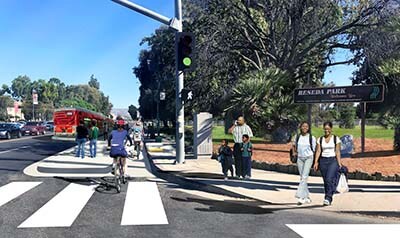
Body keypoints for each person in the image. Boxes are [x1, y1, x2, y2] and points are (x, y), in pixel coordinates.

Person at [313, 121, 342, 206]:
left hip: (333, 160)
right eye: (325, 129)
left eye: (328, 129)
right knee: (326, 181)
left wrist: (339, 163)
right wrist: (316, 162)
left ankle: (328, 197)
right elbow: (318, 151)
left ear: (331, 129)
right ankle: (328, 197)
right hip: (323, 161)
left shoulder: (336, 139)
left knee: (329, 179)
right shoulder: (320, 139)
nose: (326, 131)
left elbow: (337, 151)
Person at [291, 121, 316, 205]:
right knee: (302, 178)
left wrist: (316, 161)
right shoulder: (297, 137)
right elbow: (293, 145)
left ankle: (300, 196)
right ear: (300, 127)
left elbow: (315, 149)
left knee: (304, 176)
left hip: (309, 158)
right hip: (300, 158)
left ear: (308, 128)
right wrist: (294, 152)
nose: (305, 128)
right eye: (303, 126)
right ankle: (306, 197)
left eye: (306, 126)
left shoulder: (311, 138)